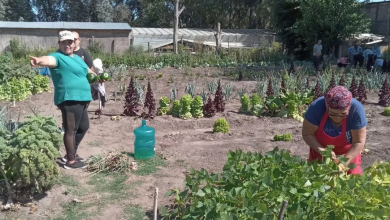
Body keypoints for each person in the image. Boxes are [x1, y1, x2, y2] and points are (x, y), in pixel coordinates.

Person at [29, 30, 97, 169]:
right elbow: (48, 60)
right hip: (69, 98)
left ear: (74, 43)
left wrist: (98, 77)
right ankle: (71, 161)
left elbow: (89, 72)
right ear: (59, 43)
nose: (67, 45)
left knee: (83, 127)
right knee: (71, 130)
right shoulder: (57, 57)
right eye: (64, 42)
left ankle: (70, 153)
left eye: (70, 42)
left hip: (82, 99)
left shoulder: (77, 58)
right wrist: (39, 61)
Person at [302, 86, 367, 175]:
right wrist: (322, 151)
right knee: (317, 181)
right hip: (320, 151)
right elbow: (307, 134)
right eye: (333, 113)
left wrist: (343, 164)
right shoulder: (316, 108)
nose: (337, 118)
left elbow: (358, 142)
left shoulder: (356, 110)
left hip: (349, 153)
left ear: (349, 108)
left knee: (353, 182)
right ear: (326, 106)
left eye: (343, 114)